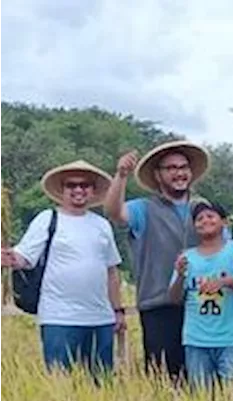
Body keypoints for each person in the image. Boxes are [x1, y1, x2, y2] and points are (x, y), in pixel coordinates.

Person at [0, 161, 124, 376]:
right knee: (61, 384)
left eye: (84, 185)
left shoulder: (101, 225)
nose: (78, 190)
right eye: (71, 185)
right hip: (60, 317)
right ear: (63, 190)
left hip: (100, 318)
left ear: (93, 190)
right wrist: (10, 257)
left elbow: (111, 271)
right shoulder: (47, 219)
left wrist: (118, 311)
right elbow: (24, 257)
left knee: (101, 385)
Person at [105, 141, 214, 381]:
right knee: (163, 378)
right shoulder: (144, 209)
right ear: (158, 175)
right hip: (158, 305)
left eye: (184, 167)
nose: (179, 172)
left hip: (202, 306)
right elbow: (114, 212)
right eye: (171, 168)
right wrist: (121, 176)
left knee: (202, 379)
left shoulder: (204, 209)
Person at [167, 201, 233, 389]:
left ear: (223, 222)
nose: (205, 220)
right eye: (199, 218)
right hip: (195, 339)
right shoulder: (187, 257)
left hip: (232, 339)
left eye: (210, 216)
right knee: (201, 399)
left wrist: (229, 282)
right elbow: (173, 298)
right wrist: (180, 275)